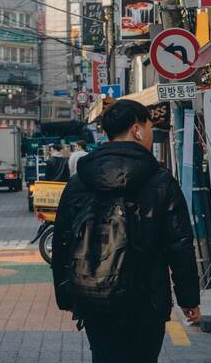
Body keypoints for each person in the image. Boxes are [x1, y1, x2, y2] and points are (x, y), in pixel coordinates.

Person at [51, 100, 201, 362]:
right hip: (147, 300)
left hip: (94, 296)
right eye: (149, 127)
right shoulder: (161, 180)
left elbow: (62, 241)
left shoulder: (79, 182)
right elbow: (179, 244)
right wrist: (188, 298)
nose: (151, 133)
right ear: (137, 130)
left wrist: (66, 295)